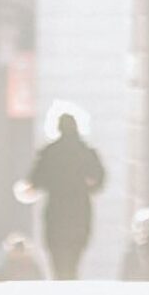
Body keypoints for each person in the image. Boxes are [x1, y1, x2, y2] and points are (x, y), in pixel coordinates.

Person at [19, 105, 106, 279]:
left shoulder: (49, 152)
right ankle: (71, 277)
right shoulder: (87, 152)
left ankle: (60, 280)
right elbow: (100, 179)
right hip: (80, 209)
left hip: (56, 209)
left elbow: (34, 181)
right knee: (75, 251)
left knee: (57, 251)